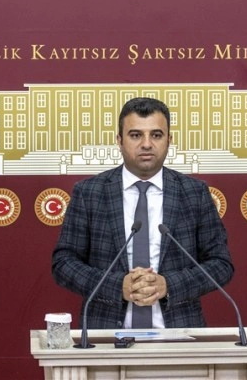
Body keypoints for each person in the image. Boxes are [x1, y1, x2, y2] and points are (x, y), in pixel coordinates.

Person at [51, 97, 234, 329]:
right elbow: (64, 263)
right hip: (106, 335)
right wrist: (117, 286)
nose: (146, 144)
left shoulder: (194, 192)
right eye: (136, 135)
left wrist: (168, 285)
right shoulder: (89, 192)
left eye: (156, 135)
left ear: (169, 140)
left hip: (180, 335)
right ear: (119, 140)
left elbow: (221, 264)